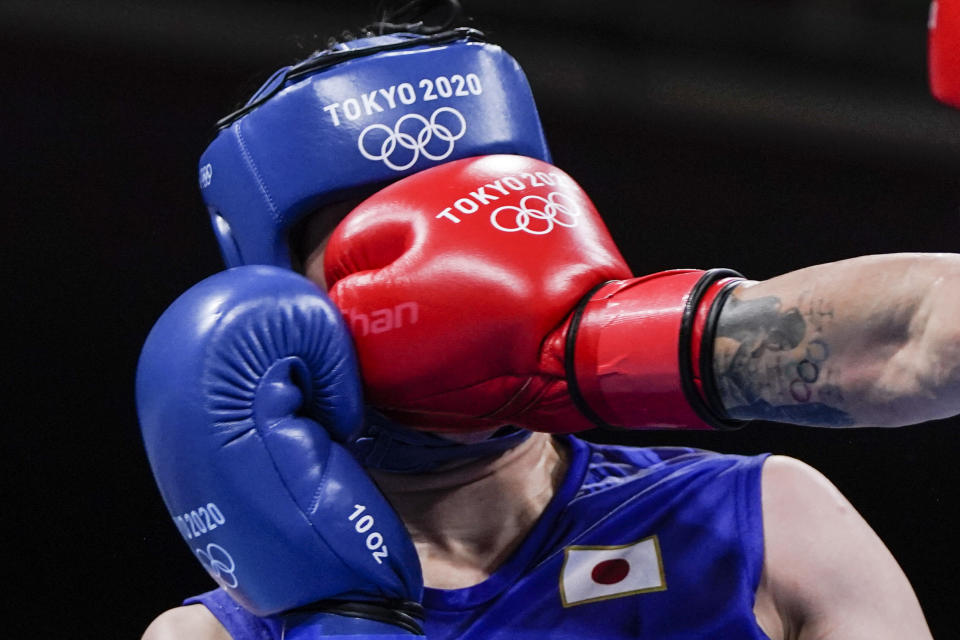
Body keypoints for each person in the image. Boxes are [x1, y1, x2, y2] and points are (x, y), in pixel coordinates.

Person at [138, 2, 957, 638]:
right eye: (380, 237)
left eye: (481, 209)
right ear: (276, 310)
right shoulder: (213, 633)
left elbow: (920, 341)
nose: (464, 271)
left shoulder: (760, 520)